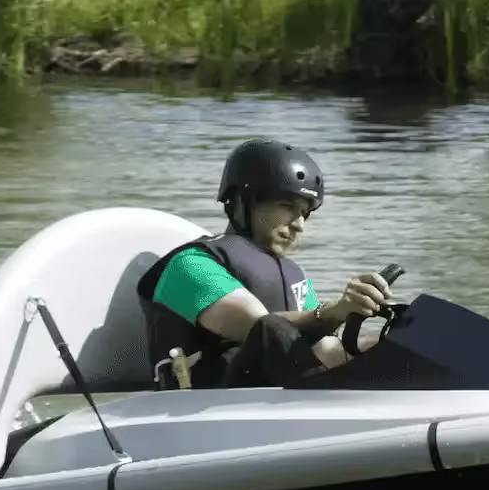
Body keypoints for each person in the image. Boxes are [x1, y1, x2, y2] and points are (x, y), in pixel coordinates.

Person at [135, 138, 398, 388]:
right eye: (286, 206)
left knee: (397, 343)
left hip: (275, 402)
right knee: (271, 329)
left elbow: (323, 350)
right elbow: (259, 328)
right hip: (200, 410)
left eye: (305, 213)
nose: (299, 224)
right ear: (240, 202)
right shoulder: (193, 265)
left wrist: (388, 344)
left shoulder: (293, 275)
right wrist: (338, 310)